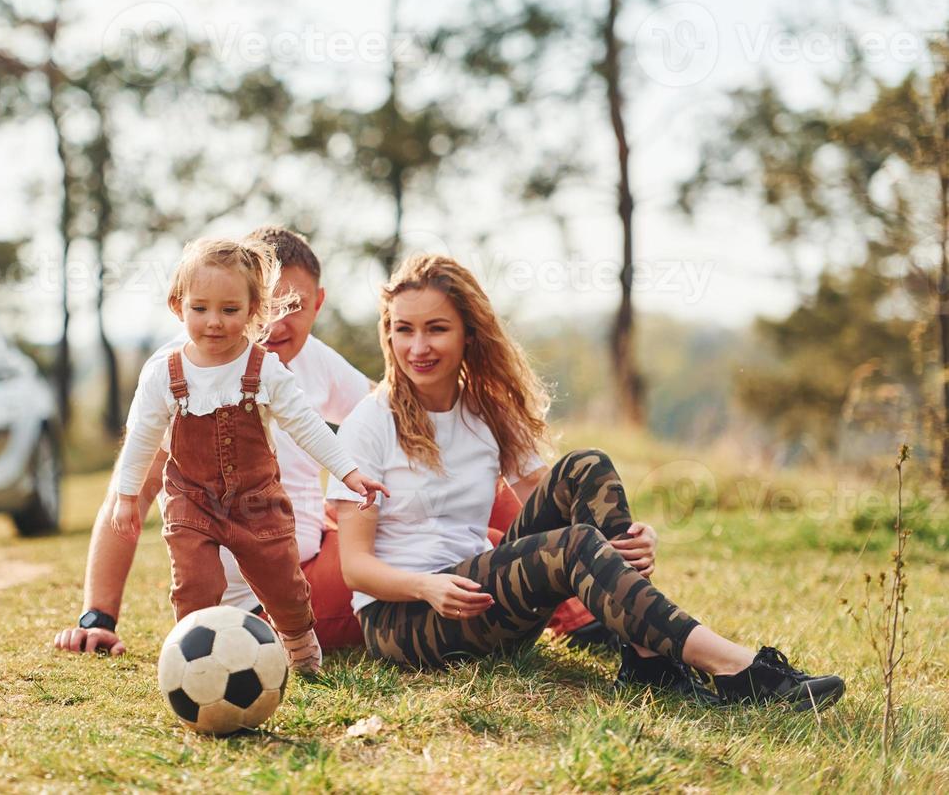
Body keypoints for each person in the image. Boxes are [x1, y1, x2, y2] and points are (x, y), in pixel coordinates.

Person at [53, 228, 645, 658]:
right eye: (267, 308)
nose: (278, 325)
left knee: (471, 491)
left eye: (295, 308)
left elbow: (402, 419)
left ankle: (588, 599)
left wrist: (475, 406)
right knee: (477, 544)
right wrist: (97, 615)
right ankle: (580, 605)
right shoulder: (193, 374)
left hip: (314, 542)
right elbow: (129, 489)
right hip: (274, 585)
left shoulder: (310, 361)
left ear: (317, 304)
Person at [329, 254, 845, 710]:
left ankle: (648, 661)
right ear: (388, 332)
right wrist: (427, 586)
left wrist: (633, 538)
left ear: (469, 331)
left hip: (480, 597)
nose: (417, 346)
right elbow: (356, 568)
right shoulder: (370, 423)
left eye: (436, 328)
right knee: (574, 546)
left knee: (585, 466)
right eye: (403, 329)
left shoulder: (488, 412)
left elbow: (547, 507)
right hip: (406, 620)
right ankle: (737, 668)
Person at [106, 236, 388, 675]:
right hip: (192, 500)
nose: (214, 322)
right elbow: (141, 435)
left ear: (256, 311)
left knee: (284, 584)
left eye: (230, 310)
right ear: (177, 305)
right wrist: (126, 496)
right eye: (200, 309)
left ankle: (297, 638)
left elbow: (308, 425)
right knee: (194, 582)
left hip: (256, 501)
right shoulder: (165, 372)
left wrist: (348, 472)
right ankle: (193, 656)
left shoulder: (265, 369)